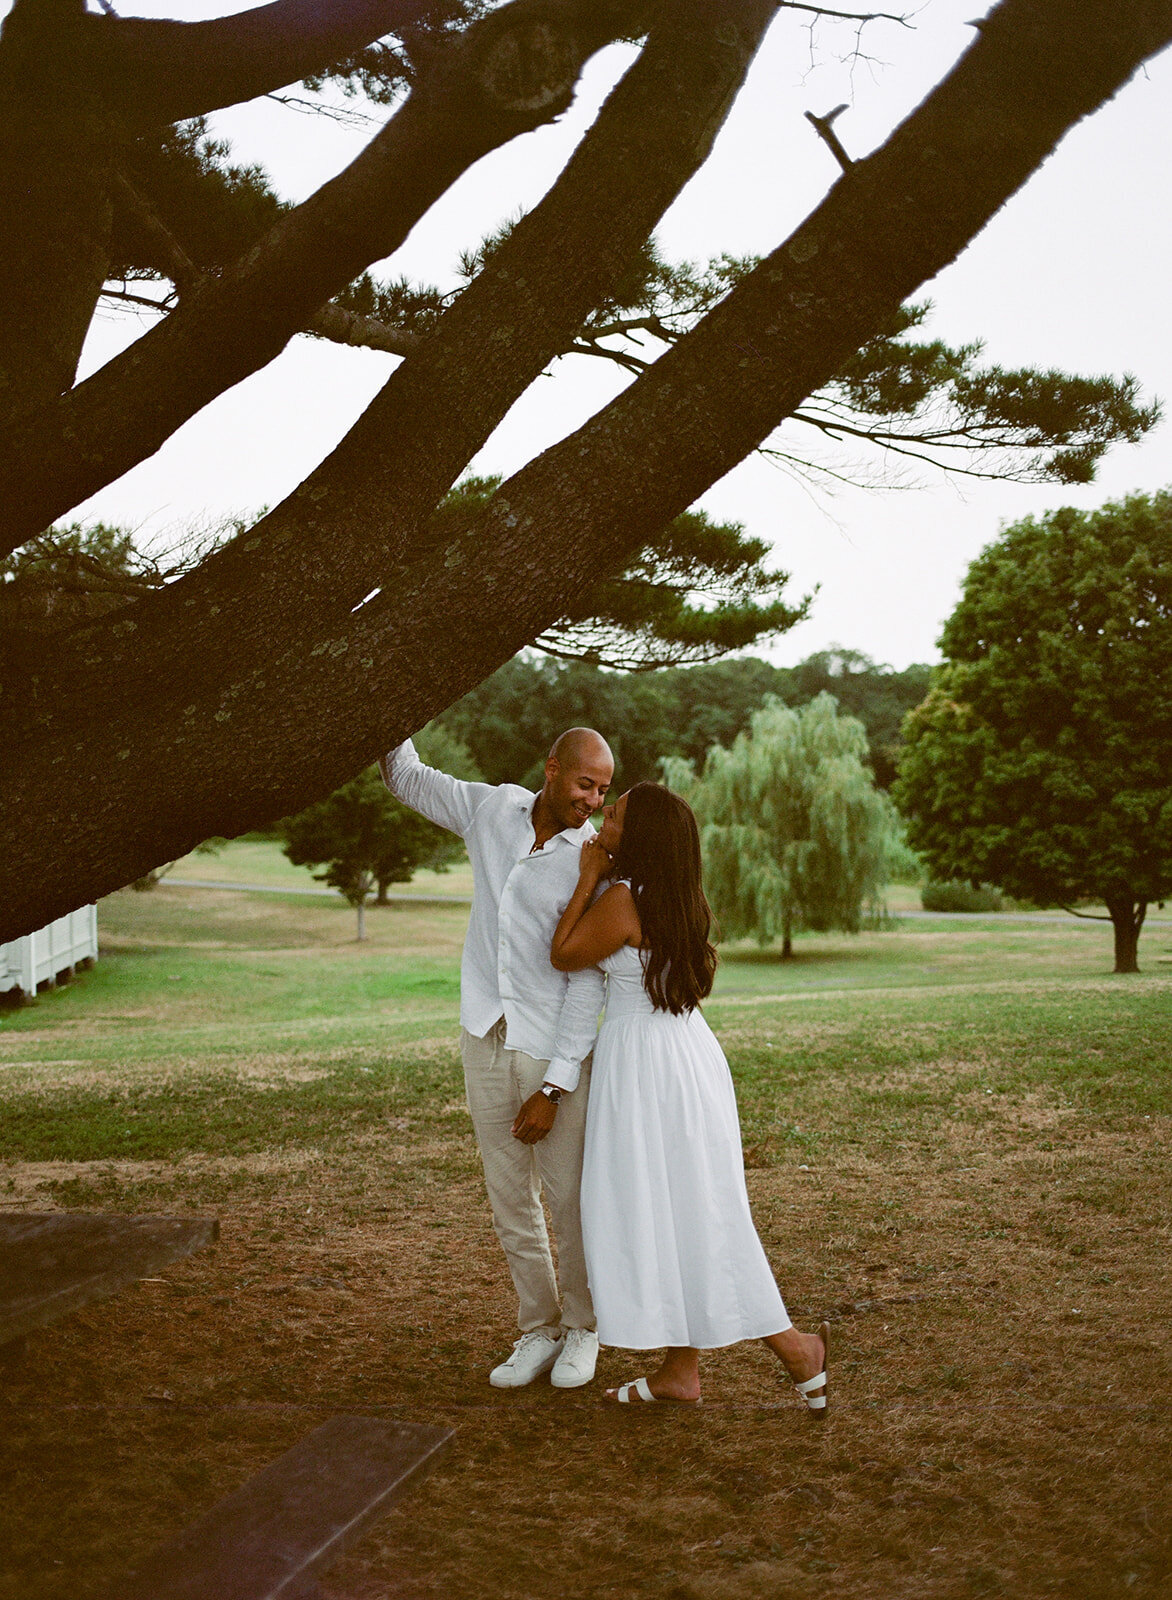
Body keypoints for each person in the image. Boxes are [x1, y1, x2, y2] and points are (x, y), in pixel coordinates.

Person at [550, 781, 829, 1410]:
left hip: (648, 1069)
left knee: (691, 1212)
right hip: (682, 1058)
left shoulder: (622, 900)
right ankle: (681, 1371)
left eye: (614, 815)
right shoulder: (679, 897)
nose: (602, 817)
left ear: (636, 837)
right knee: (681, 1208)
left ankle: (796, 1348)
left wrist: (588, 873)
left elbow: (564, 953)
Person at [380, 728, 613, 1391]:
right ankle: (536, 1330)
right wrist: (397, 703)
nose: (593, 800)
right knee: (510, 1199)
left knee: (568, 1201)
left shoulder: (592, 860)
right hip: (482, 1034)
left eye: (602, 788)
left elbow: (587, 980)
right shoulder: (491, 810)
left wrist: (555, 1085)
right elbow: (407, 778)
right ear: (550, 770)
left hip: (549, 1049)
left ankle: (583, 1329)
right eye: (583, 783)